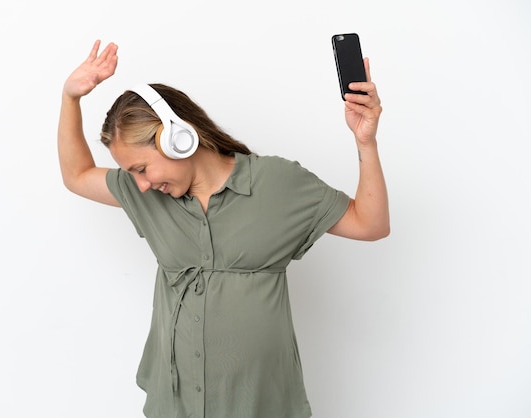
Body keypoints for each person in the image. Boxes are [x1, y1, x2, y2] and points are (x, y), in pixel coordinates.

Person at [57, 40, 389, 418]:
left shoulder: (277, 183)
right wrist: (70, 98)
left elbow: (371, 223)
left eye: (141, 168)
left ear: (177, 139)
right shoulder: (147, 196)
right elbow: (77, 175)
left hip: (260, 405)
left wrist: (366, 142)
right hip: (175, 406)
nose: (141, 184)